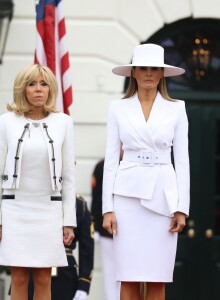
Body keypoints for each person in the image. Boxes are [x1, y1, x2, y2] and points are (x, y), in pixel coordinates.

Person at [102, 43, 190, 300]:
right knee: (127, 278)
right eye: (143, 68)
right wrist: (108, 208)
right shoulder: (117, 108)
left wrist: (182, 208)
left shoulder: (177, 108)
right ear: (134, 73)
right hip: (127, 200)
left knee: (157, 279)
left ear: (162, 73)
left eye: (155, 68)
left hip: (163, 200)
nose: (149, 73)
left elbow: (182, 161)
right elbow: (110, 160)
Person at [0, 64, 76, 300]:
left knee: (45, 277)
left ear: (51, 89)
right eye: (32, 84)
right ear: (22, 89)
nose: (38, 89)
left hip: (49, 210)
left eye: (44, 84)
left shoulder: (64, 122)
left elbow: (69, 177)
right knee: (18, 277)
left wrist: (69, 222)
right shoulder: (6, 121)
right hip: (15, 209)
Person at [26, 194, 94, 300]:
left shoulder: (79, 204)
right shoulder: (32, 198)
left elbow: (86, 251)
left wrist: (83, 285)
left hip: (65, 274)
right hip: (33, 266)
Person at [91, 159, 120, 300]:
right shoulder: (101, 166)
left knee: (127, 275)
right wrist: (96, 227)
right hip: (106, 231)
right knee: (110, 274)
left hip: (128, 231)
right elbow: (96, 198)